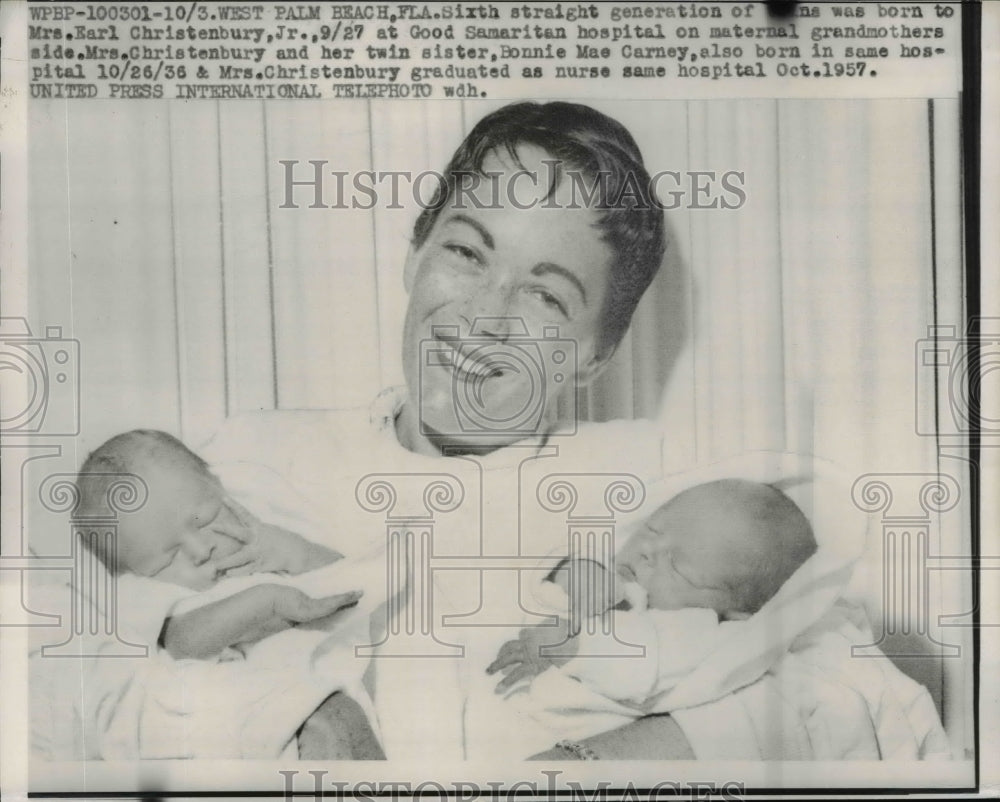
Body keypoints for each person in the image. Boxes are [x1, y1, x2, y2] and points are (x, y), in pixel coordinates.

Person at [42, 101, 948, 763]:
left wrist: (599, 766)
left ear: (597, 353)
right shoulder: (242, 464)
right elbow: (76, 677)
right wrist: (291, 712)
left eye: (547, 296)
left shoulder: (652, 486)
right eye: (467, 252)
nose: (485, 318)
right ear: (414, 251)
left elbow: (860, 690)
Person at [484, 480, 818, 756]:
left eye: (676, 565)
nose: (646, 550)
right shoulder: (621, 579)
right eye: (652, 530)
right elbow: (545, 572)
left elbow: (637, 662)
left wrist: (571, 646)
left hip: (542, 737)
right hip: (503, 702)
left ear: (735, 612)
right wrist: (577, 572)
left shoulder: (699, 632)